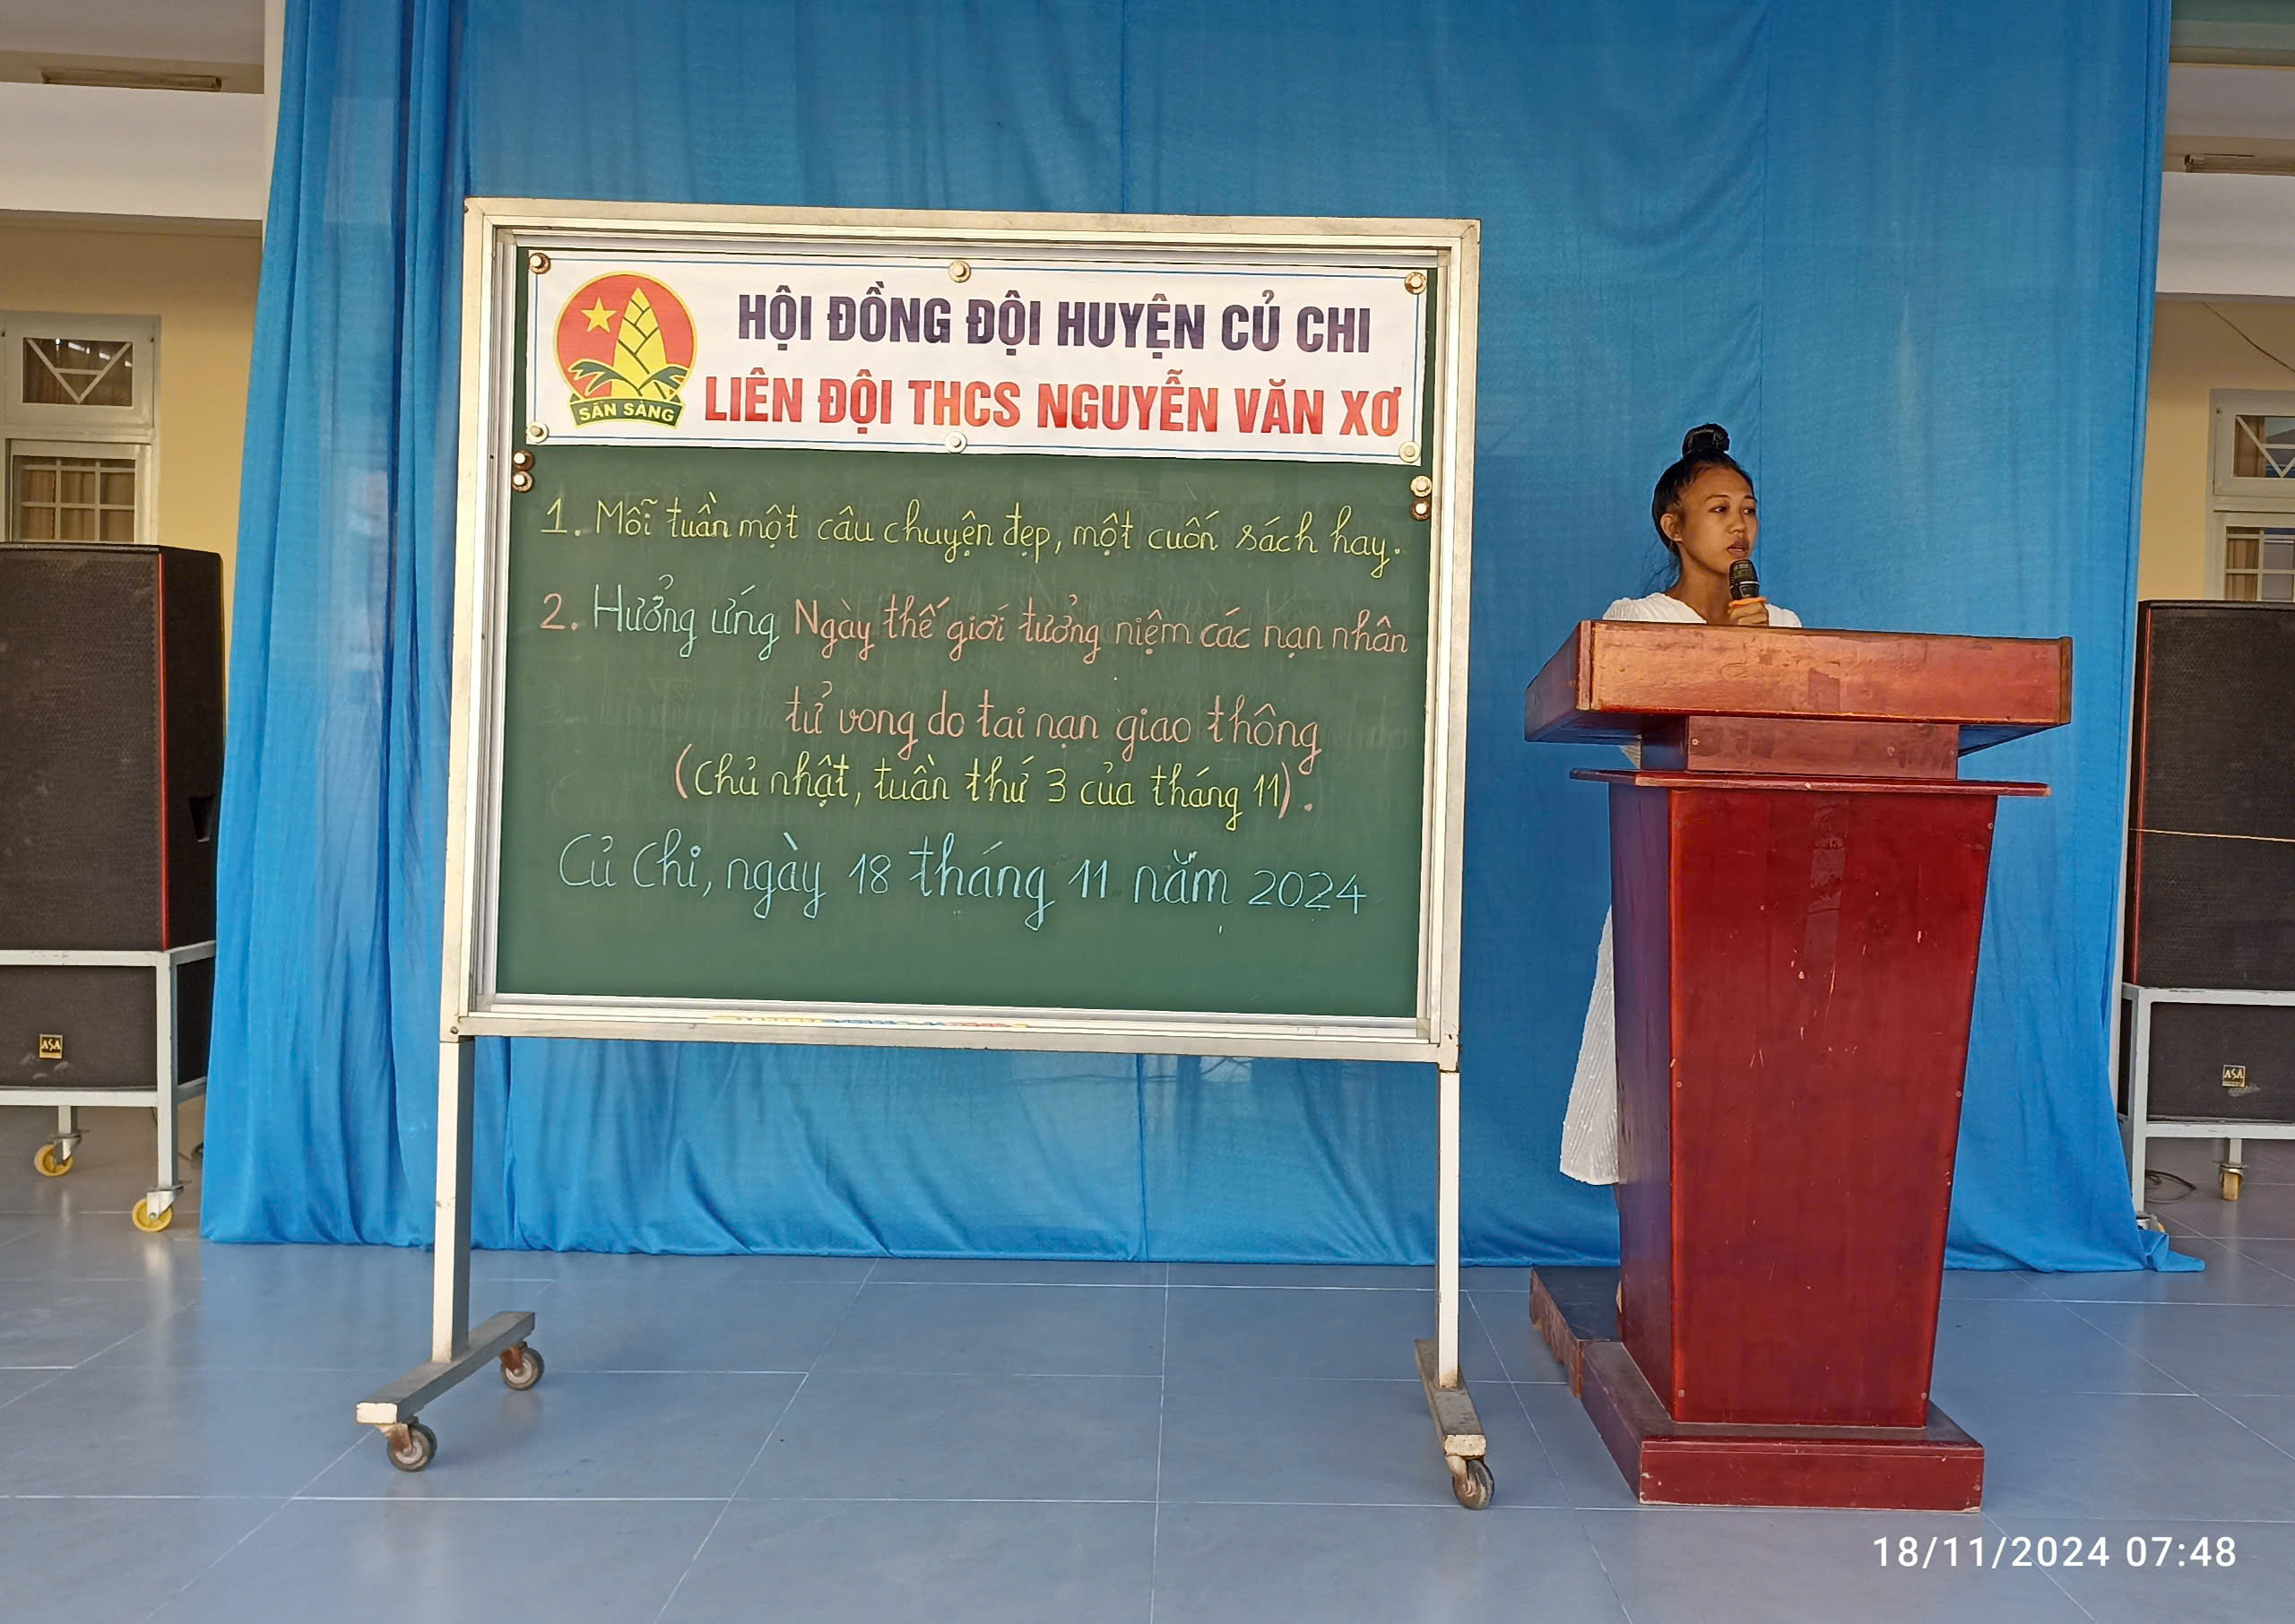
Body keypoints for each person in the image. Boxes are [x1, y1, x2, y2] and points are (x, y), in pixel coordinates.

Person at [1559, 424, 1803, 1187]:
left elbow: (1795, 747)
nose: (1740, 526)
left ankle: (1742, 1225)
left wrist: (1761, 651)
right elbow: (1653, 742)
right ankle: (1653, 1242)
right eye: (1719, 510)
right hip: (1673, 864)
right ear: (1674, 526)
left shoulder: (1784, 628)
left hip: (1769, 872)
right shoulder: (1636, 622)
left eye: (1749, 509)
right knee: (1654, 1062)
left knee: (1756, 1062)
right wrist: (1728, 650)